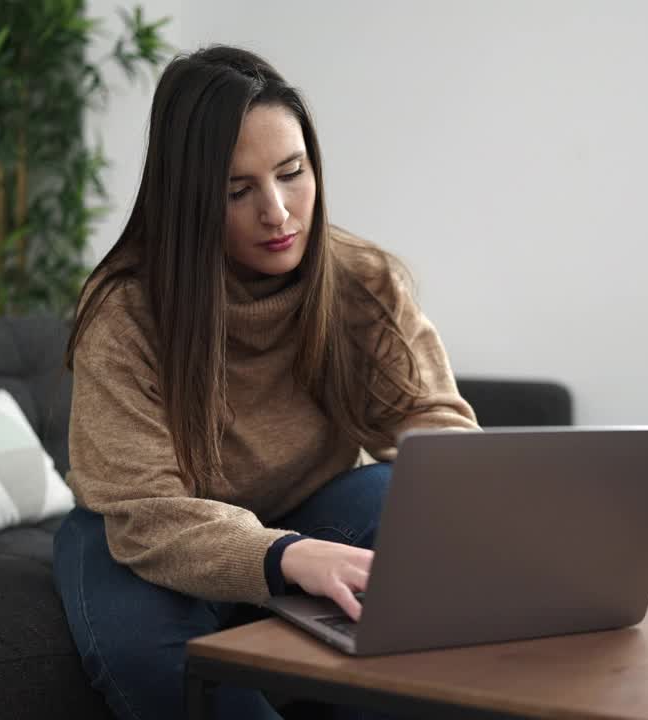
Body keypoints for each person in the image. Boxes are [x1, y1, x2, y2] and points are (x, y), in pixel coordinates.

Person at [51, 45, 479, 719]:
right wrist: (287, 557)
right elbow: (143, 511)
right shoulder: (125, 311)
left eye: (292, 173)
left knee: (415, 494)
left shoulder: (362, 280)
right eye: (238, 191)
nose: (278, 213)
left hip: (303, 506)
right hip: (151, 531)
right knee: (155, 656)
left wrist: (504, 517)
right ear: (189, 199)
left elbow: (434, 422)